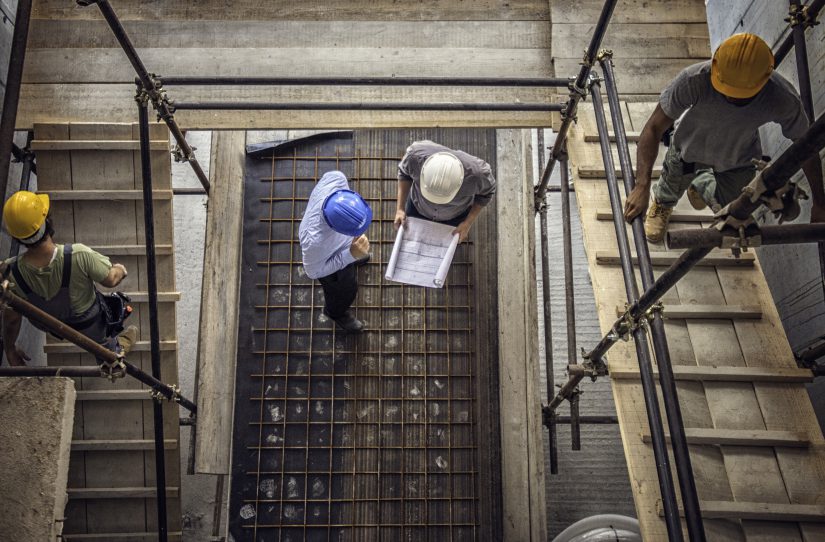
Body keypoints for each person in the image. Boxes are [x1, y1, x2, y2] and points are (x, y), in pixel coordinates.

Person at [623, 33, 825, 241]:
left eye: (741, 94)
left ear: (764, 79)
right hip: (688, 150)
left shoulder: (781, 98)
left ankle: (701, 184)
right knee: (671, 184)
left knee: (734, 209)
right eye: (726, 88)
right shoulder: (693, 80)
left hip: (737, 159)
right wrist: (641, 186)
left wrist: (820, 202)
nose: (730, 96)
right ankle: (663, 204)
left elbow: (805, 145)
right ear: (716, 66)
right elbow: (653, 128)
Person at [1, 191, 137, 366]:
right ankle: (115, 352)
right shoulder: (79, 255)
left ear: (16, 236)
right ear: (47, 221)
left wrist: (10, 349)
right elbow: (110, 280)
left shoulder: (11, 273)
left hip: (51, 327)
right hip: (89, 327)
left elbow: (11, 319)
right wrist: (120, 269)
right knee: (107, 347)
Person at [299, 171, 372, 334]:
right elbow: (313, 271)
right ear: (336, 228)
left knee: (354, 257)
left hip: (341, 246)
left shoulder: (336, 179)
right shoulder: (315, 243)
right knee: (346, 290)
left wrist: (352, 251)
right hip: (328, 260)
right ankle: (336, 313)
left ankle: (354, 257)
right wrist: (349, 255)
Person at [394, 140, 497, 242]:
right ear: (423, 171)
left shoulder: (478, 175)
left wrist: (467, 223)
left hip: (455, 216)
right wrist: (400, 209)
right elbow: (404, 173)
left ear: (460, 182)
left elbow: (486, 194)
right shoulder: (414, 157)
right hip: (417, 208)